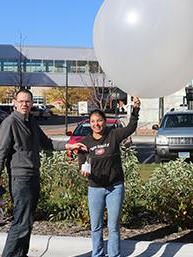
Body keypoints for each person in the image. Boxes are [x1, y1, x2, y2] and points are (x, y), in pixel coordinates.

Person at [0, 89, 86, 257]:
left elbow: (47, 143)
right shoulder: (10, 122)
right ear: (15, 103)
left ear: (31, 103)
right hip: (20, 177)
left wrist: (70, 146)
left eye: (28, 101)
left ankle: (21, 254)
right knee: (21, 222)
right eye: (21, 101)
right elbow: (2, 151)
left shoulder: (31, 122)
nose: (24, 104)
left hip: (33, 175)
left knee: (27, 221)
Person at [77, 96, 140, 257]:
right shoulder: (85, 143)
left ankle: (114, 255)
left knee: (113, 227)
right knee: (96, 226)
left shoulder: (113, 135)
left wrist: (135, 110)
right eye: (93, 121)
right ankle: (97, 254)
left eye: (99, 120)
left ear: (104, 121)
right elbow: (82, 165)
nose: (96, 124)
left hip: (115, 188)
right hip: (95, 189)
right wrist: (83, 171)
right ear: (89, 123)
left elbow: (131, 127)